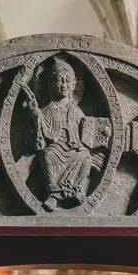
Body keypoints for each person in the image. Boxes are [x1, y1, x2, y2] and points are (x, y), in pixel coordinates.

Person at [21, 57, 97, 211]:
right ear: (51, 83)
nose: (64, 85)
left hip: (74, 149)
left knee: (85, 157)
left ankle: (78, 190)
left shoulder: (76, 111)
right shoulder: (45, 111)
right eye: (59, 81)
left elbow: (87, 133)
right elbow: (38, 143)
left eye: (68, 81)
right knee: (47, 155)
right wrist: (36, 119)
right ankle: (53, 194)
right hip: (55, 149)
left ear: (74, 85)